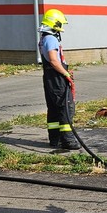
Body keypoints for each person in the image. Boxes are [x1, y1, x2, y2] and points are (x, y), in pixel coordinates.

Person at [38, 9, 79, 150]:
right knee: (65, 107)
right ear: (55, 23)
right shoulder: (51, 39)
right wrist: (66, 74)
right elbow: (55, 61)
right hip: (57, 78)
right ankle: (68, 140)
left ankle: (54, 139)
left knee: (54, 109)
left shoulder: (44, 38)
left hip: (49, 78)